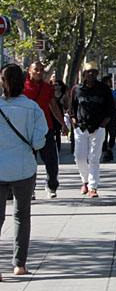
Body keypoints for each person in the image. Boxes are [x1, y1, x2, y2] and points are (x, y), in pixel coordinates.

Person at [0, 64, 48, 279]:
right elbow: (38, 142)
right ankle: (19, 264)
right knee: (21, 215)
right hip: (24, 167)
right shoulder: (33, 108)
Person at [68, 62, 115, 198]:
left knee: (94, 158)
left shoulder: (104, 89)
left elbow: (110, 109)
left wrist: (102, 125)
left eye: (94, 72)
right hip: (81, 128)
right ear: (84, 74)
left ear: (97, 74)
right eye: (88, 72)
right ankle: (85, 181)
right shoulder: (76, 89)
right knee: (79, 157)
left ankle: (93, 187)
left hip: (98, 128)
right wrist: (74, 122)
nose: (91, 74)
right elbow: (71, 108)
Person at [23, 61, 66, 199]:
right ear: (29, 71)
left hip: (46, 128)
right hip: (27, 130)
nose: (39, 72)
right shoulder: (22, 87)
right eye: (36, 69)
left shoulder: (47, 88)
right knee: (29, 162)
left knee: (51, 160)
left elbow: (53, 106)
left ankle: (52, 185)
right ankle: (30, 188)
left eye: (41, 70)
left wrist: (63, 123)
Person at [100, 76, 116, 162]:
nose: (111, 83)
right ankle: (105, 152)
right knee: (103, 136)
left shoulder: (114, 93)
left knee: (113, 134)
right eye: (109, 81)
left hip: (112, 116)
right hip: (102, 117)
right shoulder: (99, 93)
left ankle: (109, 148)